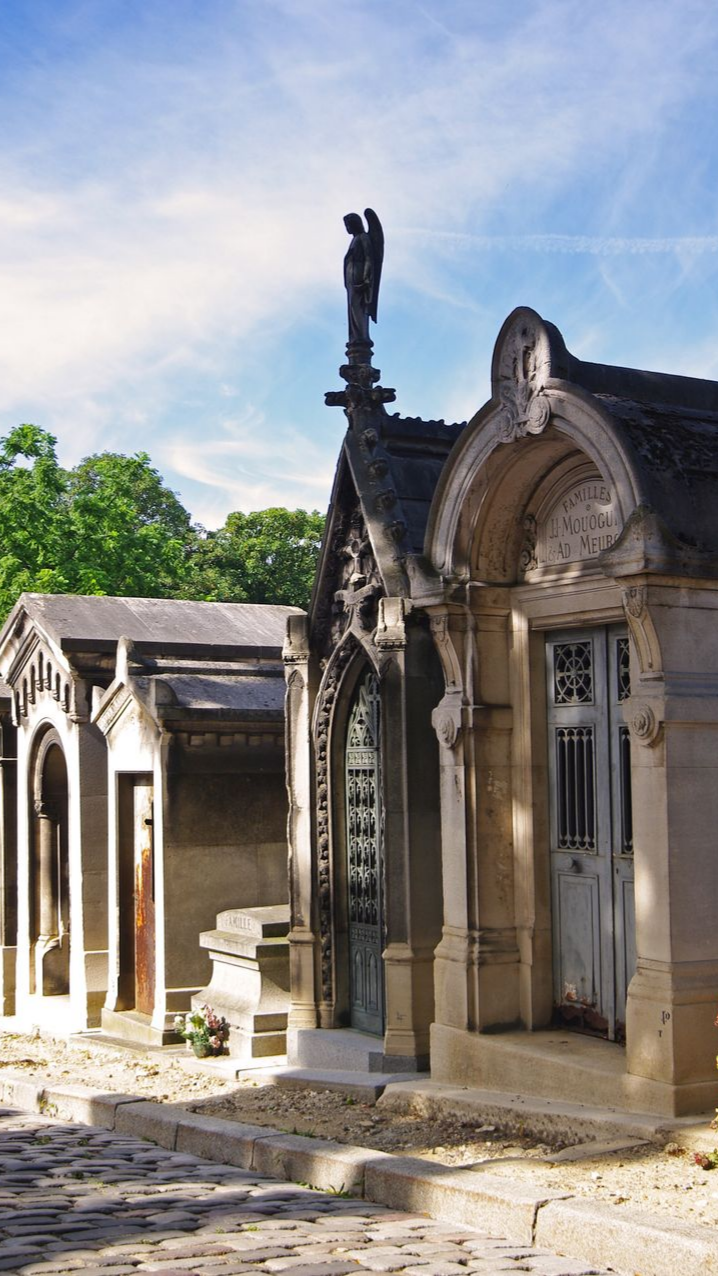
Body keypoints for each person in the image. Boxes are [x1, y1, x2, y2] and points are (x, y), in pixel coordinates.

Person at [343, 210, 383, 344]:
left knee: (358, 307)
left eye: (348, 225)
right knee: (352, 307)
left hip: (359, 278)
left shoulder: (363, 237)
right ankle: (354, 337)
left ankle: (361, 337)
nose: (347, 229)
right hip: (351, 279)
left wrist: (366, 278)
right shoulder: (354, 239)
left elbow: (369, 259)